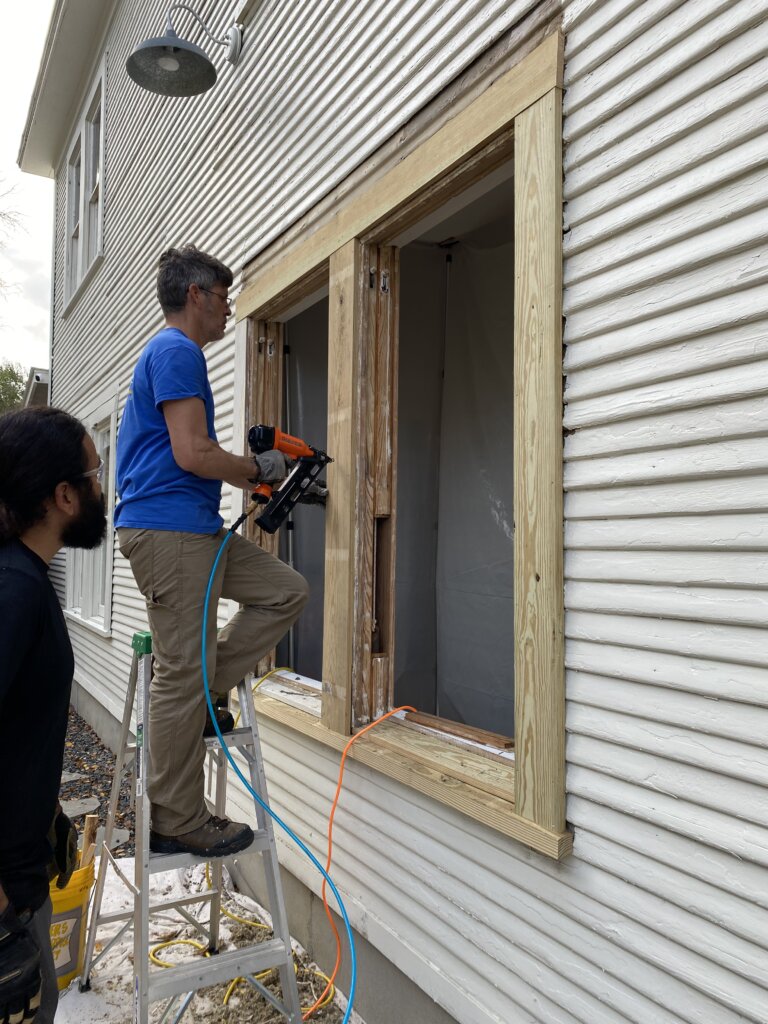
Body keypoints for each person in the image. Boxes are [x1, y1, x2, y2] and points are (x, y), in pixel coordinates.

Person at [114, 245, 308, 860]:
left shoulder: (177, 355)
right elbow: (192, 453)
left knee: (286, 591)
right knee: (180, 670)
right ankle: (177, 818)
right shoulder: (175, 350)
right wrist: (258, 470)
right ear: (197, 294)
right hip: (169, 531)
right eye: (224, 298)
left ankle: (206, 693)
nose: (228, 310)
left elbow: (192, 453)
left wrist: (257, 472)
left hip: (195, 528)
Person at [0, 406, 108, 1024]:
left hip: (20, 875)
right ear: (64, 495)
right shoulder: (13, 590)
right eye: (95, 476)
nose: (102, 490)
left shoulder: (30, 579)